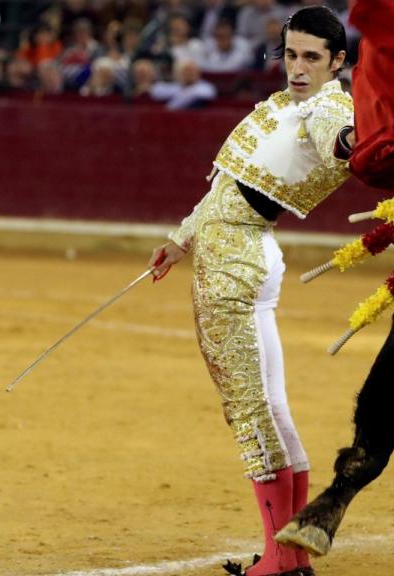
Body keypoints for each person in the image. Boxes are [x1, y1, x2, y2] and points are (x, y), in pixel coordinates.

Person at [147, 7, 354, 576]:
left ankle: (278, 557)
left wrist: (354, 136)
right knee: (271, 406)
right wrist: (182, 238)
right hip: (234, 253)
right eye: (291, 54)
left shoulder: (328, 106)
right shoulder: (286, 103)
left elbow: (339, 141)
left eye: (312, 57)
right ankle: (291, 553)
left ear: (337, 62)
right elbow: (230, 189)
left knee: (248, 409)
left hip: (237, 263)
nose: (297, 67)